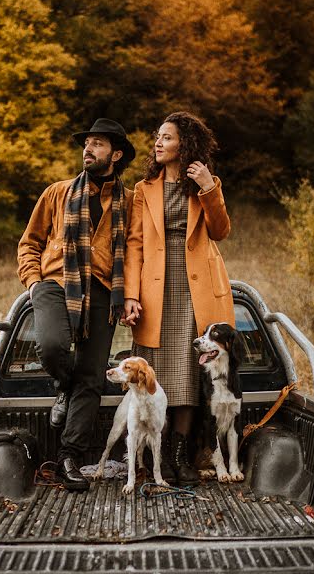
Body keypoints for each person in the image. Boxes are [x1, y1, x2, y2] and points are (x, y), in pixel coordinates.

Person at [17, 118, 135, 491]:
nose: (89, 149)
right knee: (51, 346)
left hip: (103, 290)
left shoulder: (129, 201)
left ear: (115, 155)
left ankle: (70, 456)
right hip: (56, 284)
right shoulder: (57, 193)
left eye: (98, 144)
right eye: (87, 143)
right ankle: (61, 385)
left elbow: (136, 249)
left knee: (91, 375)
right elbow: (29, 243)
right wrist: (34, 283)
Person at [123, 111, 235, 486]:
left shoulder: (204, 184)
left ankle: (180, 454)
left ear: (184, 145)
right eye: (157, 137)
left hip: (195, 288)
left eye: (167, 138)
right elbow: (135, 244)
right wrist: (131, 295)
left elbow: (220, 230)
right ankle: (158, 454)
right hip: (155, 288)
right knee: (156, 377)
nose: (158, 143)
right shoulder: (143, 189)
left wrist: (208, 187)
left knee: (187, 374)